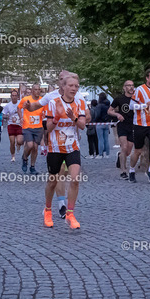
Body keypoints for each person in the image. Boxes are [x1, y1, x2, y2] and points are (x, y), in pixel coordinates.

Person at [25, 70, 89, 219]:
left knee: (70, 176)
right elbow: (35, 106)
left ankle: (67, 210)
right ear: (61, 83)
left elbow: (87, 117)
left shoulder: (79, 98)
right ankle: (59, 204)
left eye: (75, 85)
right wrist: (28, 107)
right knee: (57, 175)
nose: (72, 87)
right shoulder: (51, 97)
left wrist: (77, 118)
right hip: (55, 144)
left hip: (72, 143)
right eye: (61, 79)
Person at [43, 73, 86, 229]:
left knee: (75, 179)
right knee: (52, 182)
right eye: (71, 85)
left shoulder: (80, 103)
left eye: (76, 86)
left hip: (72, 147)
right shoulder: (53, 103)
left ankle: (70, 214)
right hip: (55, 148)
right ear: (63, 87)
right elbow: (48, 128)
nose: (74, 88)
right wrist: (57, 118)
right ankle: (48, 210)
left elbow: (82, 125)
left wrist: (73, 117)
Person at [129, 68, 150, 184]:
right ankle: (131, 170)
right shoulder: (139, 90)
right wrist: (144, 105)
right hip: (140, 124)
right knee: (138, 151)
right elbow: (131, 106)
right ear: (147, 78)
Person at [108, 80, 135, 179]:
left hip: (133, 126)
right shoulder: (119, 98)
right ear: (124, 87)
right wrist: (117, 114)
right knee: (124, 147)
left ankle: (120, 155)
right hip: (122, 125)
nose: (131, 87)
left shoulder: (137, 99)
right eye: (128, 85)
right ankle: (123, 171)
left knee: (128, 151)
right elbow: (109, 111)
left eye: (132, 85)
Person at [18, 83, 45, 174]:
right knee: (30, 145)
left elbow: (46, 110)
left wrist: (44, 114)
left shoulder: (42, 100)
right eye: (35, 89)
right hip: (27, 126)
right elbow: (19, 108)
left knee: (35, 148)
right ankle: (24, 158)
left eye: (39, 89)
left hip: (38, 127)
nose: (37, 91)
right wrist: (21, 117)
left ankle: (32, 167)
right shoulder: (26, 99)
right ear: (32, 91)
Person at [2, 89, 24, 162]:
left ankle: (18, 144)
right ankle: (13, 156)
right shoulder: (8, 105)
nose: (14, 97)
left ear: (17, 97)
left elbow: (25, 112)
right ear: (10, 96)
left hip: (19, 125)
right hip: (11, 125)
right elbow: (3, 114)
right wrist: (6, 116)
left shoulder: (21, 103)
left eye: (15, 95)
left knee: (20, 141)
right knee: (12, 142)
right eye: (13, 96)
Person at [93, 92, 111, 159]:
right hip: (106, 123)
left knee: (100, 139)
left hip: (99, 123)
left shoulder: (99, 105)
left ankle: (100, 154)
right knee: (106, 139)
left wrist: (95, 120)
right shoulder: (108, 105)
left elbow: (97, 114)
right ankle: (107, 154)